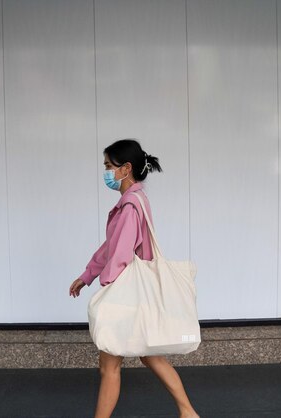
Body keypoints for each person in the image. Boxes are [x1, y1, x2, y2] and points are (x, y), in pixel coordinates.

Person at [68, 139, 200, 418]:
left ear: (125, 168)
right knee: (149, 355)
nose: (105, 171)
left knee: (109, 367)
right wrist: (87, 274)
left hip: (128, 297)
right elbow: (111, 247)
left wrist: (105, 287)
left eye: (108, 166)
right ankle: (188, 412)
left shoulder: (129, 206)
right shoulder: (137, 200)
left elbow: (119, 253)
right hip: (140, 297)